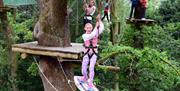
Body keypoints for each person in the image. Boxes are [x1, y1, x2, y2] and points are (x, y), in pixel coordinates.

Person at [81, 14, 104, 91]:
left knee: (91, 68)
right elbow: (92, 35)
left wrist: (99, 20)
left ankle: (90, 82)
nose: (89, 29)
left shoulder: (95, 32)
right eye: (87, 28)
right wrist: (95, 27)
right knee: (83, 69)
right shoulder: (84, 35)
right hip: (87, 53)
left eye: (90, 27)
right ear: (85, 28)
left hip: (94, 53)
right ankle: (85, 77)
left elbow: (102, 28)